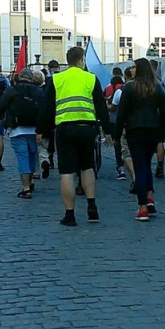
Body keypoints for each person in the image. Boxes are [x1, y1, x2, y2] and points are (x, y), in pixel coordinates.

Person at [41, 46, 111, 226]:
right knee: (87, 167)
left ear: (68, 60)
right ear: (81, 60)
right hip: (87, 128)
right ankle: (92, 207)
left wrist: (43, 132)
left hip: (65, 129)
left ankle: (70, 215)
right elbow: (101, 107)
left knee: (66, 171)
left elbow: (48, 108)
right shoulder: (90, 78)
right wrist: (108, 131)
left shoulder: (56, 79)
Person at [114, 58, 165, 221]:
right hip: (153, 130)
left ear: (139, 69)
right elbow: (164, 112)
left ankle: (142, 207)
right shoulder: (157, 88)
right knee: (146, 164)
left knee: (139, 167)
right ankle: (150, 197)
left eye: (133, 67)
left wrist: (117, 135)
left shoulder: (129, 88)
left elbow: (122, 114)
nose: (131, 70)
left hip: (134, 131)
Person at [0, 67, 47, 199]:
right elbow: (45, 110)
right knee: (32, 155)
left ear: (20, 77)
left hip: (17, 129)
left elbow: (0, 106)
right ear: (31, 78)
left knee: (22, 157)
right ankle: (31, 180)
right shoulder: (39, 91)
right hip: (35, 130)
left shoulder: (12, 90)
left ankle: (26, 188)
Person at [39, 59, 61, 178]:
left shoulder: (48, 80)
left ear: (49, 68)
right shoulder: (63, 78)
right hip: (62, 112)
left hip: (51, 112)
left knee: (48, 137)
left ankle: (50, 159)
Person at [104, 73, 127, 181]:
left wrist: (106, 106)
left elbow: (113, 108)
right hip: (131, 123)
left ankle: (121, 169)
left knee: (117, 145)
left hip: (116, 122)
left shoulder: (118, 92)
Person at [150, 59, 165, 179]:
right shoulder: (160, 83)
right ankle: (160, 166)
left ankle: (146, 164)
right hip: (159, 117)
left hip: (149, 117)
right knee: (160, 141)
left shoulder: (144, 83)